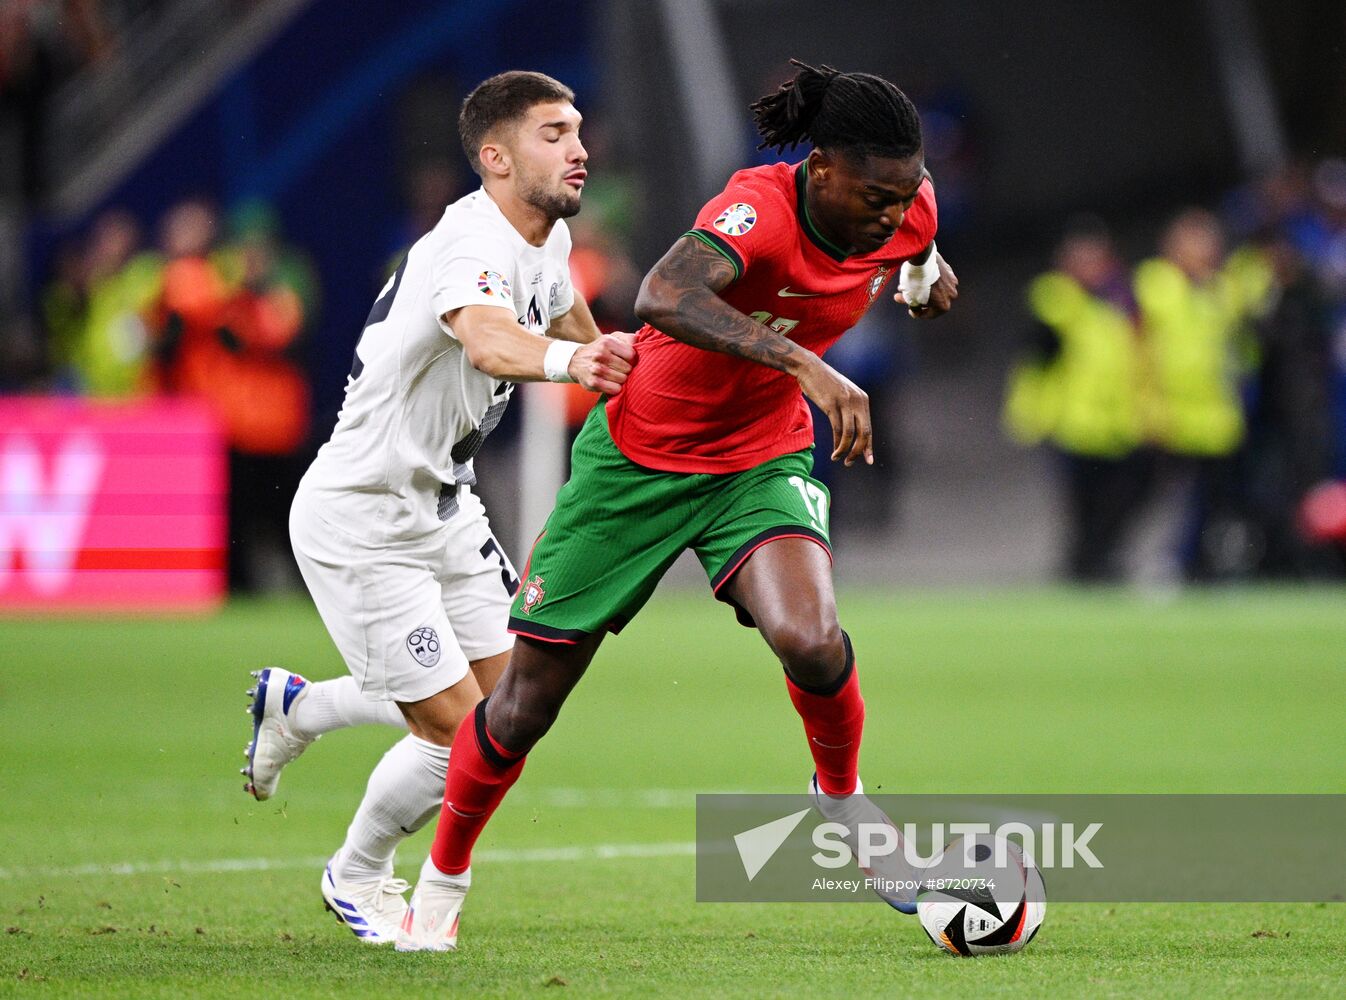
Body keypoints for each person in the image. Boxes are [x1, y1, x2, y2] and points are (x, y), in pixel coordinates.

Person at [397, 59, 960, 952]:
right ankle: (442, 880)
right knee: (522, 705)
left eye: (904, 199)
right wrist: (807, 364)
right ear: (821, 171)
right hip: (639, 456)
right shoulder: (759, 209)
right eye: (875, 198)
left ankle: (842, 800)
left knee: (811, 639)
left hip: (756, 456)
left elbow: (916, 234)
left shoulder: (906, 205)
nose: (891, 215)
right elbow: (663, 294)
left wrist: (926, 266)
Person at [239, 70, 636, 944]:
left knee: (513, 715)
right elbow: (491, 340)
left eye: (577, 130)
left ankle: (300, 711)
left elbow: (561, 304)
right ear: (494, 159)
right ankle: (357, 874)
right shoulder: (465, 247)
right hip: (364, 519)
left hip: (446, 513)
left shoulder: (546, 239)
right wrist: (580, 369)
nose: (578, 148)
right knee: (458, 730)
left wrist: (610, 352)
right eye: (552, 133)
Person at [1003, 217, 1151, 581]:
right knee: (1082, 503)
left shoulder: (1123, 300)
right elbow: (1036, 360)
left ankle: (1096, 558)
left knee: (1115, 499)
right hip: (1072, 423)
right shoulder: (1057, 300)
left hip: (1116, 423)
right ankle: (1084, 563)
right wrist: (1028, 416)